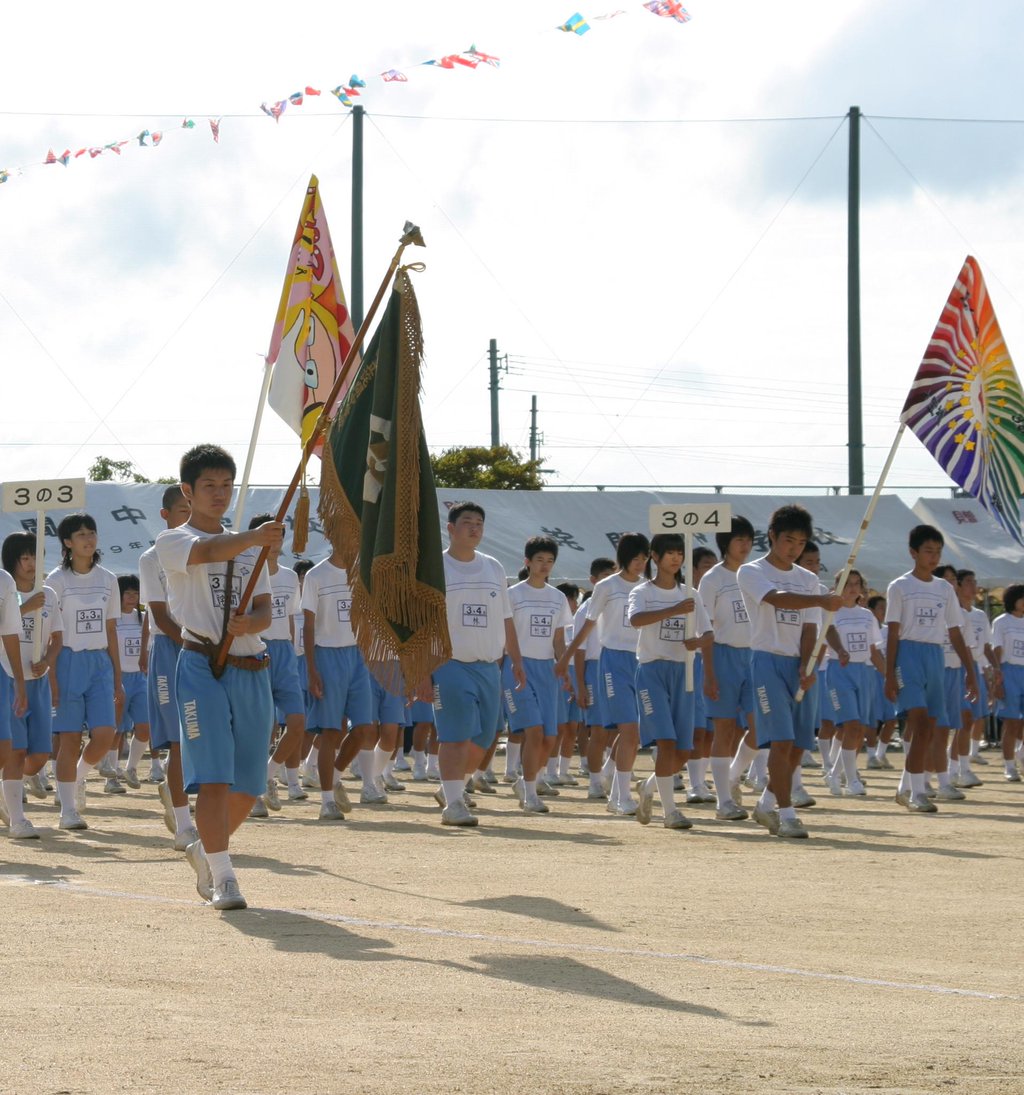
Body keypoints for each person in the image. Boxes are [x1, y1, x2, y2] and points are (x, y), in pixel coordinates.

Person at [155, 444, 285, 911]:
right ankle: (225, 878)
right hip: (200, 666)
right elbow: (208, 551)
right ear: (188, 491)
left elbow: (266, 608)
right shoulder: (173, 540)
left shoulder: (251, 551)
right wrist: (255, 539)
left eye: (226, 485)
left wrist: (252, 623)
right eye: (209, 485)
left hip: (251, 667)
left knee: (248, 786)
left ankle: (205, 850)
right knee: (213, 778)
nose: (219, 493)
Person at [737, 505, 841, 839]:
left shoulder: (808, 579)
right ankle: (787, 814)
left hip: (800, 664)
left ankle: (766, 803)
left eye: (800, 542)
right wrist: (821, 601)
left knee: (799, 744)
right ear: (772, 536)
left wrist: (808, 665)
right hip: (767, 661)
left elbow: (810, 627)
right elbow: (776, 599)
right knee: (780, 741)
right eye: (788, 540)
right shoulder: (751, 571)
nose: (794, 548)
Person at [433, 501, 524, 827]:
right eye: (467, 522)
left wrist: (516, 659)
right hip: (449, 662)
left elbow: (506, 617)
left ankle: (451, 788)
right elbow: (423, 621)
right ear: (451, 528)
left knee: (487, 737)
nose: (474, 528)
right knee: (455, 735)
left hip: (489, 665)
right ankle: (454, 804)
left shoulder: (493, 567)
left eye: (479, 523)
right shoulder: (436, 567)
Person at [885, 524, 977, 814]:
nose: (934, 557)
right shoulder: (899, 586)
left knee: (930, 727)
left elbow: (955, 632)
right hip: (908, 656)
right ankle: (917, 792)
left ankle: (905, 788)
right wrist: (889, 674)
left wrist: (970, 671)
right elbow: (892, 632)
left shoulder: (944, 589)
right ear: (913, 552)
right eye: (928, 551)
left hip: (935, 657)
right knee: (921, 723)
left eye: (938, 551)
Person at [557, 534, 650, 816]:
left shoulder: (647, 587)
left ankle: (612, 779)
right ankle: (619, 794)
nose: (640, 564)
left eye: (644, 559)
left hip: (642, 660)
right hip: (612, 661)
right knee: (618, 729)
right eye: (635, 558)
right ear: (623, 558)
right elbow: (587, 627)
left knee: (635, 731)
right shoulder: (607, 586)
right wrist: (565, 658)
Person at [628, 533, 713, 829]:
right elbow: (636, 620)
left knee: (684, 751)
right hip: (652, 671)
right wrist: (674, 610)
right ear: (655, 556)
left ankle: (649, 785)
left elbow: (708, 633)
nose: (676, 558)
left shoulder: (691, 593)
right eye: (670, 553)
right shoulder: (642, 591)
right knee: (666, 742)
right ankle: (670, 812)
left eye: (680, 553)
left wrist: (698, 642)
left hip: (684, 672)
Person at [47, 513, 123, 830]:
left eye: (91, 532)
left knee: (105, 736)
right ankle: (68, 811)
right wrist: (51, 676)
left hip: (99, 663)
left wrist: (117, 676)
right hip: (67, 662)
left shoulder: (108, 579)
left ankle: (75, 779)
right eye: (80, 534)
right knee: (69, 739)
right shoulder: (56, 581)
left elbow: (111, 629)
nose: (88, 539)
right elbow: (49, 634)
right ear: (67, 542)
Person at [139, 485, 199, 851]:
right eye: (182, 510)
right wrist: (193, 641)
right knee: (178, 740)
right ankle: (184, 824)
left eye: (192, 509)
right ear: (165, 515)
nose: (188, 516)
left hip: (202, 648)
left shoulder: (207, 550)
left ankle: (191, 805)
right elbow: (159, 615)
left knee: (200, 735)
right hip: (170, 649)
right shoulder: (151, 559)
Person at [501, 536, 572, 815]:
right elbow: (506, 635)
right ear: (527, 562)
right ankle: (531, 794)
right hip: (517, 667)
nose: (544, 565)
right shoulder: (513, 595)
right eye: (539, 560)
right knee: (534, 731)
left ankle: (525, 782)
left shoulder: (557, 598)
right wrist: (510, 663)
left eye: (550, 561)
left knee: (549, 738)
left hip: (547, 670)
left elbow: (558, 640)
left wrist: (563, 666)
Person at [302, 548, 373, 821]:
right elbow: (308, 625)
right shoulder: (316, 575)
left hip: (357, 656)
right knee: (330, 731)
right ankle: (326, 802)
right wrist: (311, 669)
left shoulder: (361, 573)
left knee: (364, 728)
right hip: (327, 655)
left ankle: (333, 777)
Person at [243, 513, 305, 818]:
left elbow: (291, 619)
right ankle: (253, 791)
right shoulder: (246, 574)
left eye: (280, 533)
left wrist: (292, 650)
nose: (275, 538)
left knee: (297, 722)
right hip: (257, 649)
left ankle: (267, 776)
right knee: (263, 726)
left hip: (285, 653)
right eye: (269, 532)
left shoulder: (290, 577)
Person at [699, 515, 756, 821]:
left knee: (760, 727)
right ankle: (724, 802)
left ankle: (732, 776)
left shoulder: (755, 574)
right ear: (725, 543)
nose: (745, 546)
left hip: (755, 656)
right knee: (724, 729)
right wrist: (709, 672)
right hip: (722, 656)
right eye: (739, 540)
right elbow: (705, 628)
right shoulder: (713, 579)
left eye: (749, 540)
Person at [822, 569, 882, 797]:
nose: (853, 588)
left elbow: (874, 651)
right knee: (851, 725)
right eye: (847, 583)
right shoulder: (830, 613)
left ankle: (834, 775)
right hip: (839, 671)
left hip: (863, 672)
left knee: (858, 730)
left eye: (857, 583)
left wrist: (891, 679)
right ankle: (852, 781)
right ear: (838, 586)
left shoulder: (867, 616)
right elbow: (823, 642)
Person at [0, 537, 33, 835]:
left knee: (4, 748)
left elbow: (10, 632)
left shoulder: (4, 581)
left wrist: (19, 681)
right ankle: (17, 819)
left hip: (2, 672)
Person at [111, 574, 150, 793]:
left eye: (136, 593)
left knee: (145, 727)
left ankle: (131, 768)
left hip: (140, 679)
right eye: (127, 593)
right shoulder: (112, 619)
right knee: (116, 730)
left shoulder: (143, 618)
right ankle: (111, 774)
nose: (132, 597)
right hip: (119, 678)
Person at [990, 583, 1024, 784]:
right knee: (1011, 722)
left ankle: (1021, 753)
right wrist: (997, 678)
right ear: (1013, 600)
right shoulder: (1001, 622)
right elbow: (996, 649)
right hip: (1008, 671)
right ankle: (1009, 766)